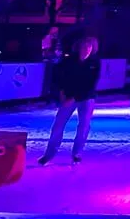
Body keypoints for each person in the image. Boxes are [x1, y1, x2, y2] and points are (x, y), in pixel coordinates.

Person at [39, 37, 102, 165]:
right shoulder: (69, 61)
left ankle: (77, 153)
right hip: (68, 97)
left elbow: (90, 83)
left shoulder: (95, 63)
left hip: (86, 98)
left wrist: (73, 97)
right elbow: (60, 77)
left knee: (84, 125)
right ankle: (49, 154)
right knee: (58, 125)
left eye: (89, 47)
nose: (86, 50)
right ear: (78, 47)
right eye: (84, 47)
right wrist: (62, 93)